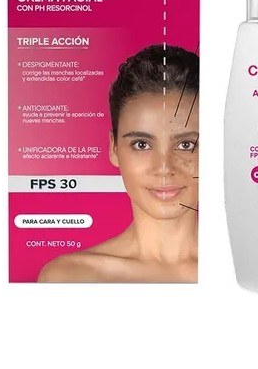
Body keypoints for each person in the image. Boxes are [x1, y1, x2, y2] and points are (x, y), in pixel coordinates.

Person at [38, 44, 199, 282]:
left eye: (185, 145)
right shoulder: (70, 278)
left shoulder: (243, 271)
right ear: (114, 148)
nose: (164, 168)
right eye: (141, 144)